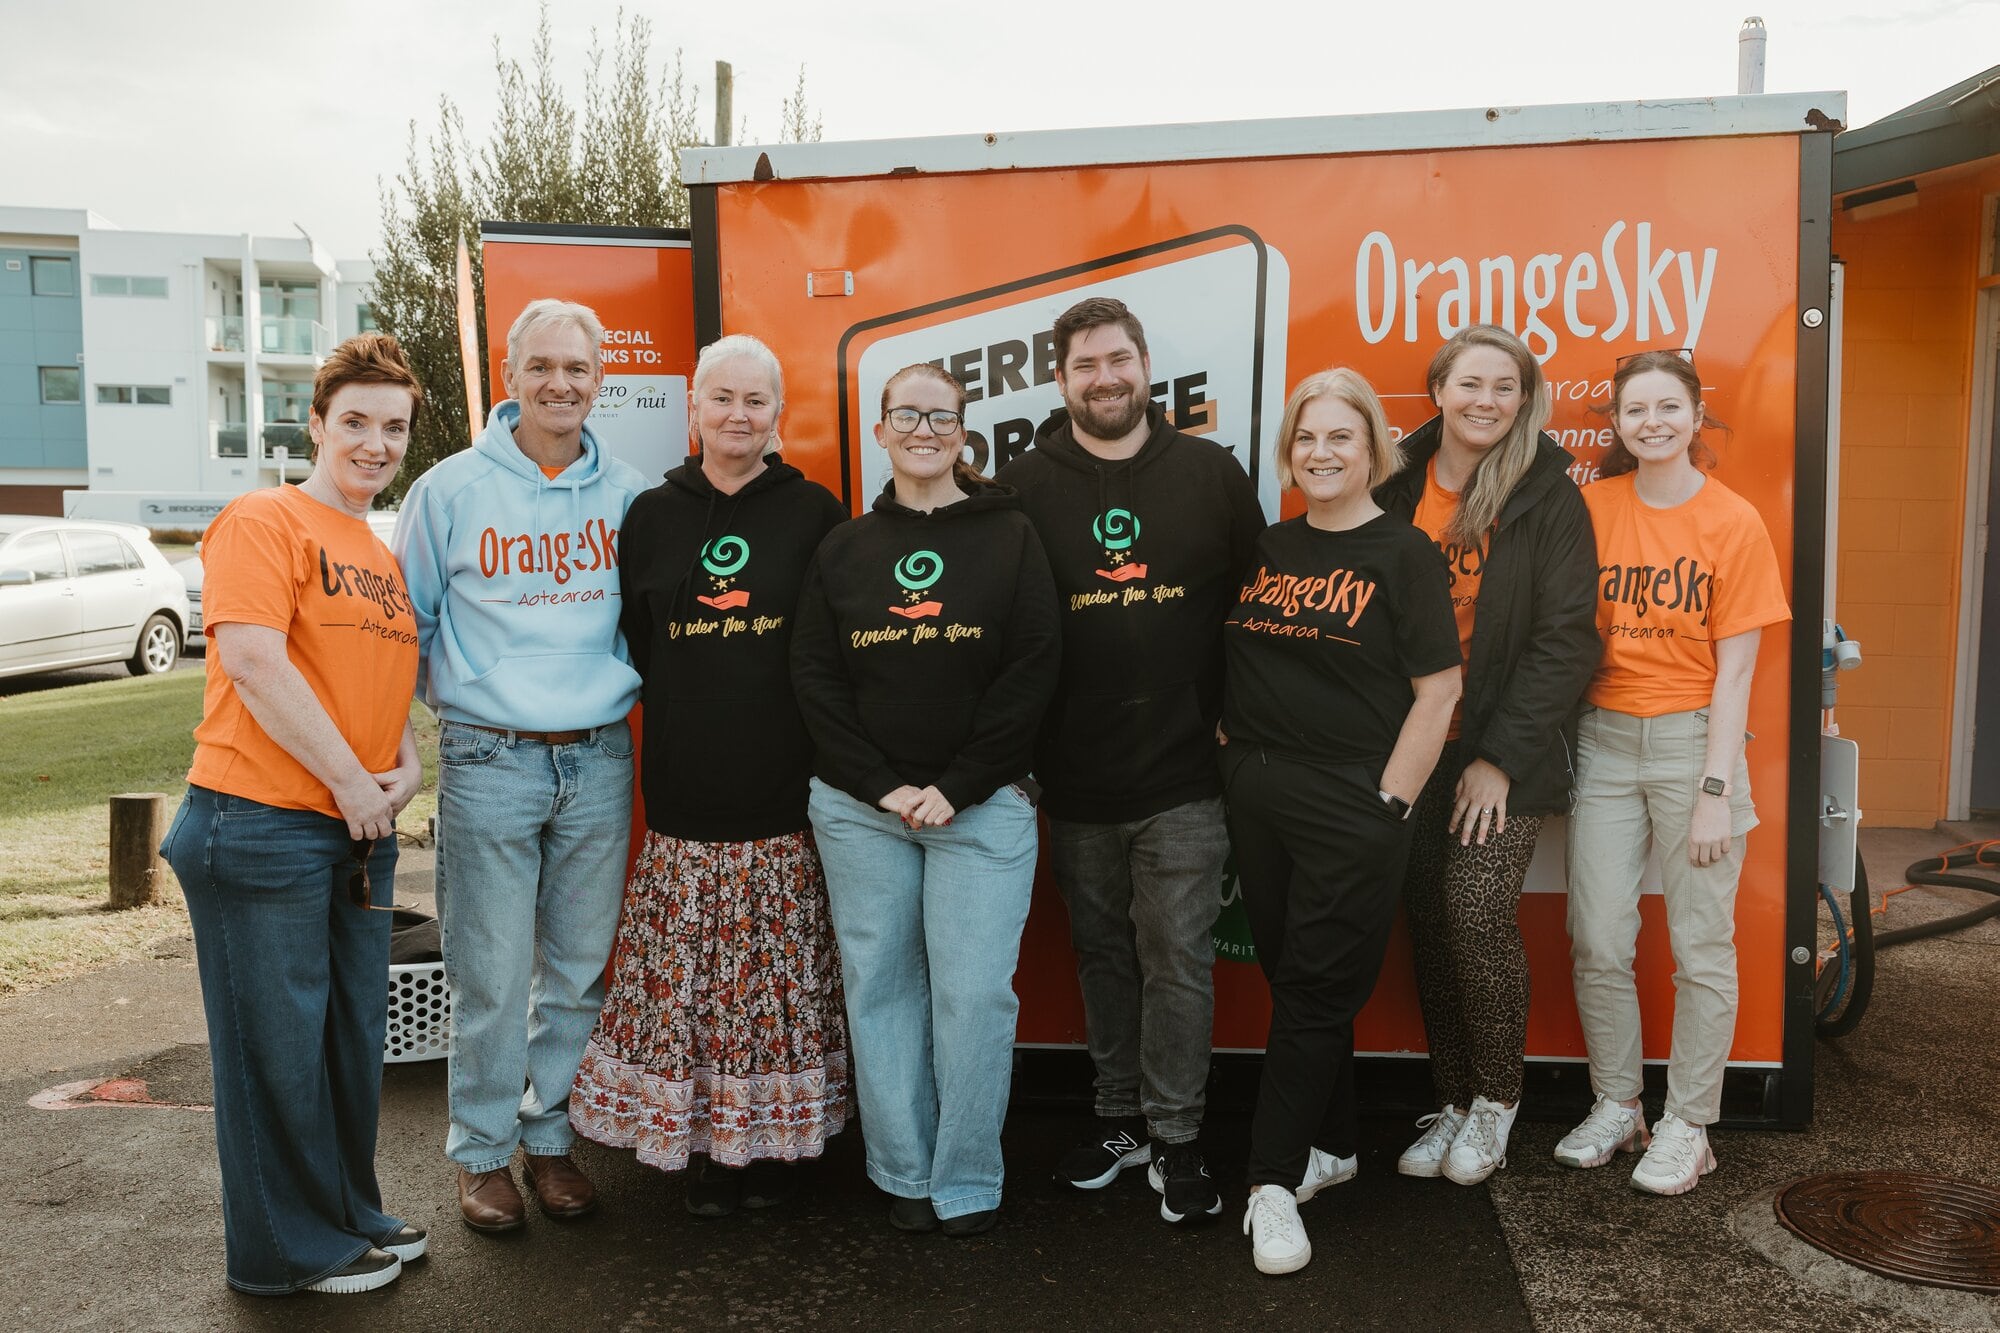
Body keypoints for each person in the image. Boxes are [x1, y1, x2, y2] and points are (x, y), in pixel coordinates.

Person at [160, 333, 428, 1295]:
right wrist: (354, 786)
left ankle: (347, 1213)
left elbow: (375, 673)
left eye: (392, 426)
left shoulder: (374, 544)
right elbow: (255, 660)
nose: (374, 442)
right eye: (354, 421)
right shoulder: (262, 518)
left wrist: (400, 762)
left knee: (346, 1041)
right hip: (258, 823)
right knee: (272, 1051)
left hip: (352, 828)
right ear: (315, 425)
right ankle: (286, 1251)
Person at [568, 334, 853, 1217]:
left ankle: (775, 1153)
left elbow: (831, 648)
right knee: (694, 987)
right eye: (721, 398)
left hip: (782, 796)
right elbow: (645, 647)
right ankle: (703, 1147)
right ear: (692, 406)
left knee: (773, 984)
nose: (738, 415)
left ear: (779, 415)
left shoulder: (816, 513)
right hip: (685, 799)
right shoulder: (651, 514)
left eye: (755, 401)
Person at [996, 297, 1264, 1226]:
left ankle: (1179, 1136)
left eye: (1118, 359)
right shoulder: (1025, 483)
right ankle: (1120, 1119)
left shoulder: (1209, 471)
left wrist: (1239, 718)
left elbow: (1258, 606)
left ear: (1146, 365)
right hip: (1072, 778)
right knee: (1102, 952)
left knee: (1179, 958)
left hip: (1186, 775)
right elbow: (1007, 628)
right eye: (1084, 364)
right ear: (1060, 378)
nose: (1104, 377)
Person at [394, 298, 649, 1232]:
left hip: (597, 757)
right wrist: (455, 712)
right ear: (512, 376)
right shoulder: (450, 488)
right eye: (542, 367)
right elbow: (408, 626)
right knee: (491, 970)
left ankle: (549, 1139)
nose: (560, 385)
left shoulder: (628, 492)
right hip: (489, 757)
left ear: (598, 382)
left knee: (578, 968)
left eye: (577, 370)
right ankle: (481, 1153)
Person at [793, 363, 1061, 1237]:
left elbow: (1033, 669)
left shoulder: (1013, 535)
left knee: (975, 994)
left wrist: (954, 785)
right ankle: (903, 1171)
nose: (922, 429)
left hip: (981, 810)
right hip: (859, 810)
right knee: (881, 987)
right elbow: (816, 677)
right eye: (905, 414)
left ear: (963, 431)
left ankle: (968, 1177)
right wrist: (884, 784)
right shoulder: (843, 546)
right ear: (880, 431)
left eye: (939, 415)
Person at [1221, 368, 1461, 1275]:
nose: (1322, 454)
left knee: (1317, 987)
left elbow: (1438, 693)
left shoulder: (1403, 554)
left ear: (1373, 450)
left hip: (1355, 804)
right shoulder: (1270, 546)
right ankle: (1337, 1144)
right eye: (1307, 439)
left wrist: (1390, 804)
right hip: (1260, 792)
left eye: (1340, 438)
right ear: (1289, 452)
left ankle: (1271, 1184)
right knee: (1296, 978)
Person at [1372, 326, 1600, 1186]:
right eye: (1471, 382)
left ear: (1524, 399)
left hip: (1501, 748)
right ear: (1438, 389)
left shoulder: (1548, 495)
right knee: (1426, 915)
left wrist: (1497, 756)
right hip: (1408, 744)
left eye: (1505, 387)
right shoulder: (1392, 482)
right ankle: (1455, 1097)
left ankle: (1500, 1099)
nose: (1485, 401)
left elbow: (1566, 641)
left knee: (1472, 909)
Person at [1558, 349, 1789, 1195]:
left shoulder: (1734, 521)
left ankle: (1690, 1122)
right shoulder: (1591, 508)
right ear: (1616, 423)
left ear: (1697, 415)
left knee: (1701, 946)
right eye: (1633, 411)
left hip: (1697, 745)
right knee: (1598, 937)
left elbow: (1737, 673)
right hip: (1606, 742)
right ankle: (1619, 1103)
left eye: (1667, 407)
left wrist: (1715, 793)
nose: (1650, 422)